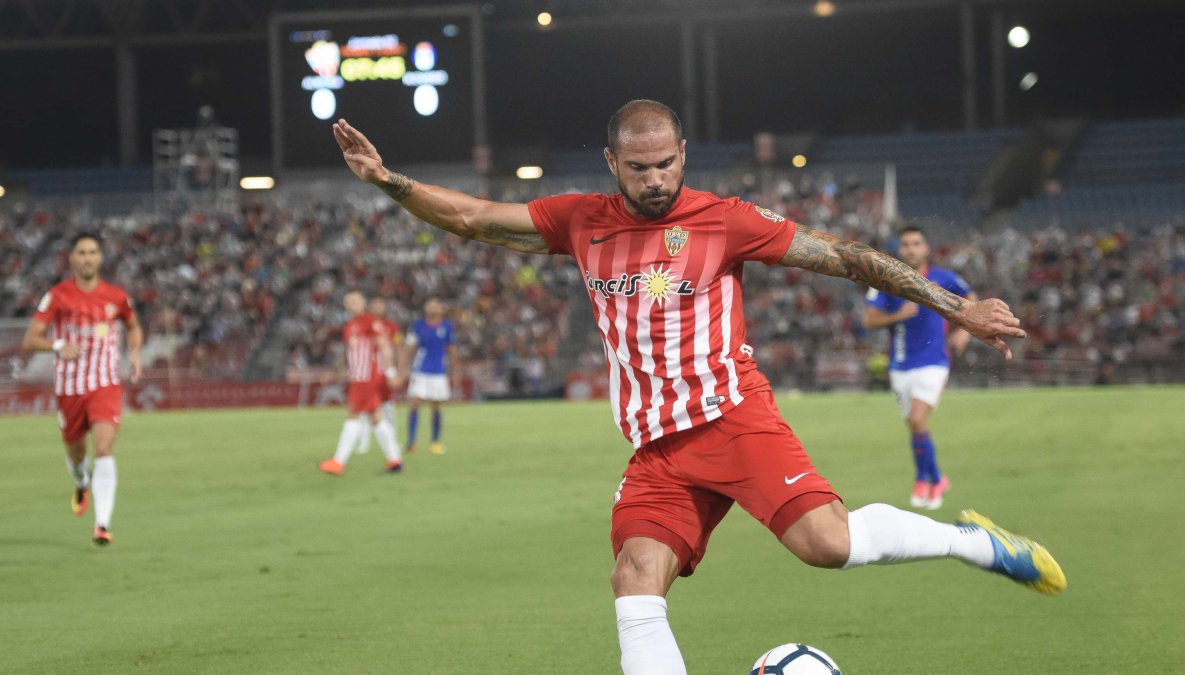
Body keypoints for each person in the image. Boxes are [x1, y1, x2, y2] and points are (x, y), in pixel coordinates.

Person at [332, 100, 1065, 675]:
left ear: (682, 154)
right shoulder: (579, 220)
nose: (654, 179)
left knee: (827, 544)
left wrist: (955, 304)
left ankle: (972, 542)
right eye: (638, 166)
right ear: (612, 162)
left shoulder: (723, 220)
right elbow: (470, 217)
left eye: (665, 163)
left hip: (732, 417)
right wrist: (388, 179)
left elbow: (844, 257)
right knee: (634, 576)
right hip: (658, 445)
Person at [22, 232, 143, 546]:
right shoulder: (58, 296)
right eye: (82, 252)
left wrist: (134, 353)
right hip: (70, 387)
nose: (88, 258)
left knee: (103, 448)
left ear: (100, 257)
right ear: (72, 258)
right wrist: (58, 344)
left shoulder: (116, 296)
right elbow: (30, 339)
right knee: (76, 455)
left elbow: (132, 324)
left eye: (93, 252)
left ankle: (102, 524)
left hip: (105, 385)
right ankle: (80, 482)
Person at [863, 226, 976, 510]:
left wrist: (964, 330)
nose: (911, 249)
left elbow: (971, 297)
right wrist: (897, 315)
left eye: (916, 243)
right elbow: (870, 320)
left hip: (933, 361)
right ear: (899, 250)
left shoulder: (942, 278)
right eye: (905, 244)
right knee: (915, 427)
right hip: (899, 364)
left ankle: (930, 479)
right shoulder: (887, 279)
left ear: (926, 248)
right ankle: (930, 478)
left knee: (916, 420)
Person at [318, 290, 405, 475]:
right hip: (359, 376)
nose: (353, 304)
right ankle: (394, 461)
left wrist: (390, 372)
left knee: (353, 414)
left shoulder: (369, 322)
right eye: (349, 301)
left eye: (356, 301)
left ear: (363, 303)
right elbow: (350, 353)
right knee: (376, 418)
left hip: (366, 377)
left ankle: (338, 461)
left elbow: (385, 347)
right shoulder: (350, 326)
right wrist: (335, 372)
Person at [397, 298, 459, 455]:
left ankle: (435, 442)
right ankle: (411, 442)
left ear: (441, 309)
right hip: (420, 371)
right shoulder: (418, 326)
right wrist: (402, 369)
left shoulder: (446, 327)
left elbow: (452, 351)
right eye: (430, 305)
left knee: (436, 406)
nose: (432, 307)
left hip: (439, 372)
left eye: (436, 305)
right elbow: (409, 349)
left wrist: (455, 372)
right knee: (415, 403)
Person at [355, 296, 401, 455]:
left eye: (380, 304)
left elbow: (397, 347)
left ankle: (393, 440)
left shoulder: (392, 327)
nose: (377, 307)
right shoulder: (363, 325)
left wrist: (395, 370)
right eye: (374, 304)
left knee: (387, 406)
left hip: (385, 370)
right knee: (365, 407)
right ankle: (364, 442)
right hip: (367, 370)